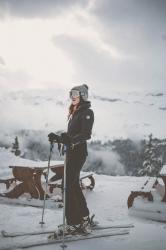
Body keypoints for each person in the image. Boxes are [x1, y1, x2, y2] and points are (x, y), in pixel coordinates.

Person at [48, 84, 94, 235]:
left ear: (83, 95)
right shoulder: (75, 112)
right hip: (72, 154)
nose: (72, 96)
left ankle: (74, 223)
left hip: (78, 154)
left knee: (66, 186)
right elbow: (71, 136)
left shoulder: (87, 112)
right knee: (72, 186)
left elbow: (86, 134)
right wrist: (59, 138)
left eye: (75, 93)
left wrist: (71, 141)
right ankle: (84, 217)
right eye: (71, 94)